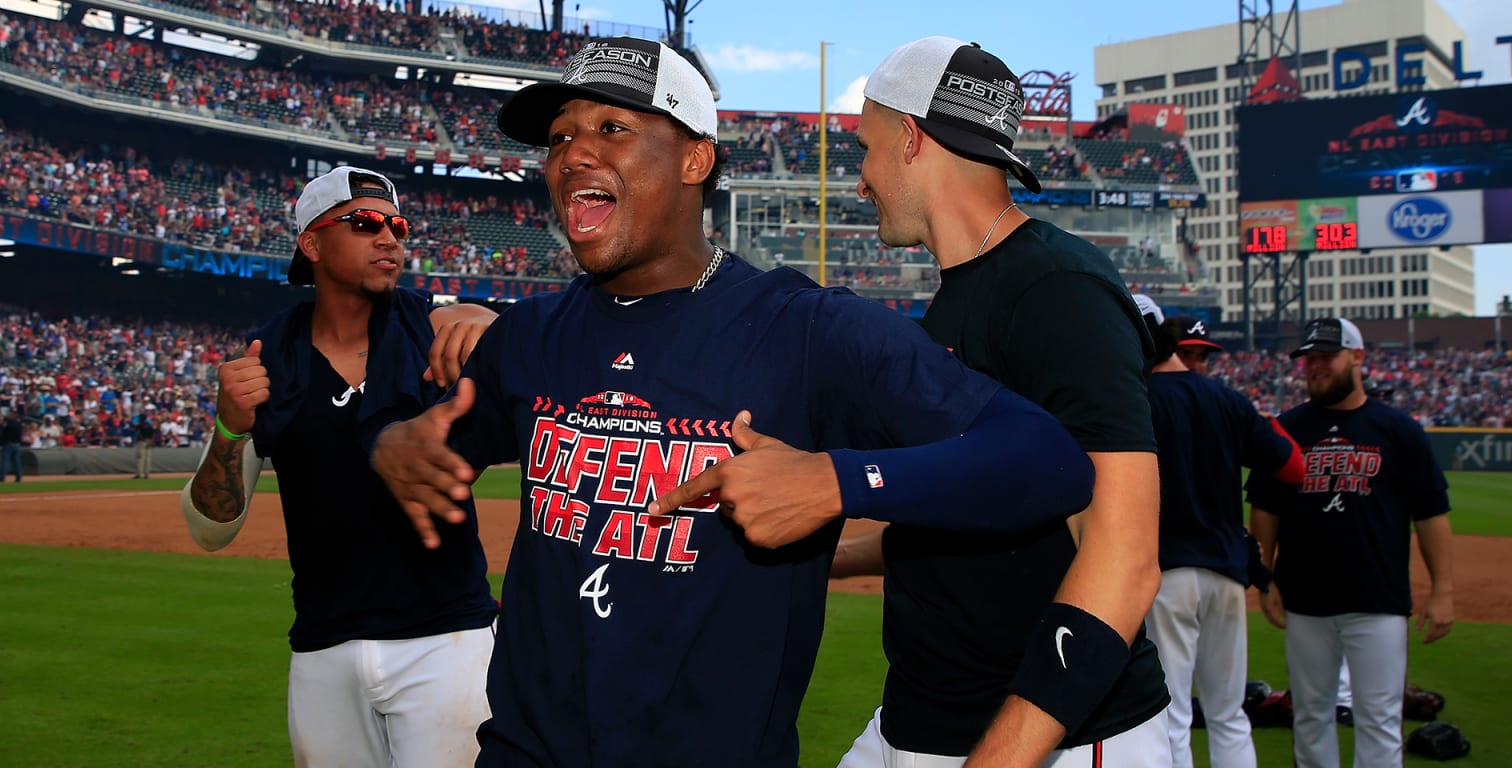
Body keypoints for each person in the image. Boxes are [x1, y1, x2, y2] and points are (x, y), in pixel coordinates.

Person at [368, 36, 1096, 767]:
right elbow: (407, 433)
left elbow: (1047, 461)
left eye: (611, 129)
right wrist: (391, 446)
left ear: (695, 159)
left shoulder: (808, 330)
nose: (574, 154)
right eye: (560, 138)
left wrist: (839, 481)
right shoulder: (529, 335)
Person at [832, 37, 1170, 768]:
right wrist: (814, 546)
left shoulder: (1057, 287)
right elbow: (979, 526)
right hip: (921, 718)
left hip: (1055, 736)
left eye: (866, 147)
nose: (860, 179)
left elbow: (1125, 554)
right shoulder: (963, 295)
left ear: (911, 138)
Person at [181, 165, 501, 767]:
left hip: (445, 639)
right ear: (312, 243)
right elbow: (211, 528)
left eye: (398, 227)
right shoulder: (267, 358)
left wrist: (499, 329)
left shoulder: (436, 330)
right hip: (323, 648)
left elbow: (532, 367)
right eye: (365, 223)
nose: (390, 239)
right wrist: (228, 428)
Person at [1247, 317, 1456, 768]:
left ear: (1357, 357)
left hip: (1378, 600)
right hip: (1305, 600)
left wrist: (1443, 590)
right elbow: (1265, 508)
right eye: (1309, 359)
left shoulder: (1398, 430)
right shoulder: (1286, 429)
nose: (1315, 366)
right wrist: (1265, 577)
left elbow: (1431, 513)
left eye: (1326, 356)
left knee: (1379, 719)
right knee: (1309, 715)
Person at [1138, 297, 1303, 768]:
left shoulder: (1134, 401)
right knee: (1228, 714)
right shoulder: (1227, 400)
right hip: (1227, 574)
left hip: (1167, 573)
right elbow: (1293, 467)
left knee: (1170, 716)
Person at [132, 406, 157, 478]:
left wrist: (144, 440)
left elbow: (138, 434)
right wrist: (151, 441)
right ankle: (147, 474)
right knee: (148, 458)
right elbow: (153, 433)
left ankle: (139, 474)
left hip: (142, 442)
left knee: (140, 458)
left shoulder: (139, 425)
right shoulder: (149, 425)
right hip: (149, 442)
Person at [1, 410, 23, 481]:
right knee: (17, 461)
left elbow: (3, 430)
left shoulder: (9, 424)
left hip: (8, 444)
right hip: (17, 444)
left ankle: (2, 477)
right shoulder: (18, 424)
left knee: (5, 461)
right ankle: (19, 477)